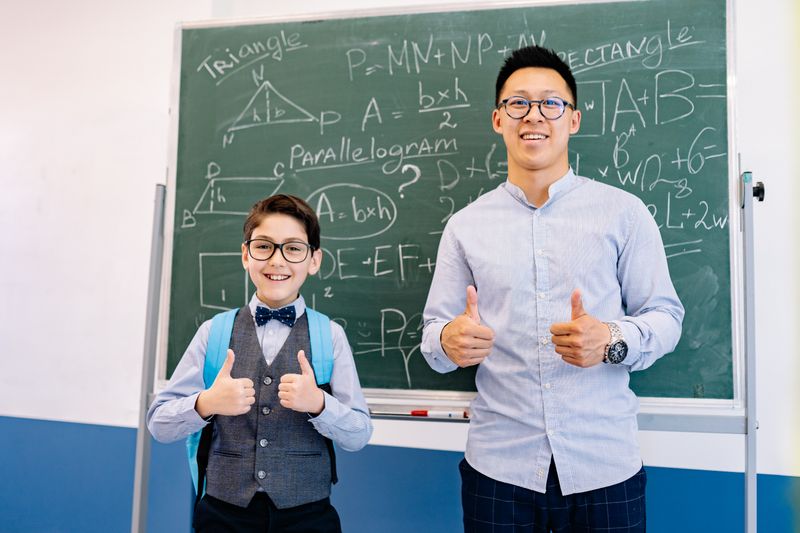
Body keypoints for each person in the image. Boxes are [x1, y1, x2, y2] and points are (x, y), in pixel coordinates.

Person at [421, 46, 684, 532]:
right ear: (498, 119)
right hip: (498, 469)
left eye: (551, 103)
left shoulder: (623, 213)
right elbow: (434, 335)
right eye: (518, 103)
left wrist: (611, 339)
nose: (533, 116)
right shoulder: (465, 227)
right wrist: (448, 340)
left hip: (604, 466)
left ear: (574, 119)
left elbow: (666, 316)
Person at [148, 194, 372, 533]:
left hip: (307, 515)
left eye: (293, 248)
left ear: (314, 260)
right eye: (264, 246)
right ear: (245, 255)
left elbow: (358, 434)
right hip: (224, 514)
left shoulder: (331, 336)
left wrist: (320, 405)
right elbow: (159, 424)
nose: (277, 261)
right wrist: (206, 403)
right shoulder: (214, 333)